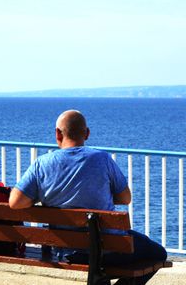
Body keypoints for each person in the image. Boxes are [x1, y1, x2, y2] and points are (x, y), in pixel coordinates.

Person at [9, 109, 167, 285]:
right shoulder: (102, 159)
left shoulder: (42, 164)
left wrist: (47, 196)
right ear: (87, 133)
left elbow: (15, 202)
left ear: (57, 134)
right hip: (108, 249)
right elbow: (125, 198)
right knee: (159, 253)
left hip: (67, 252)